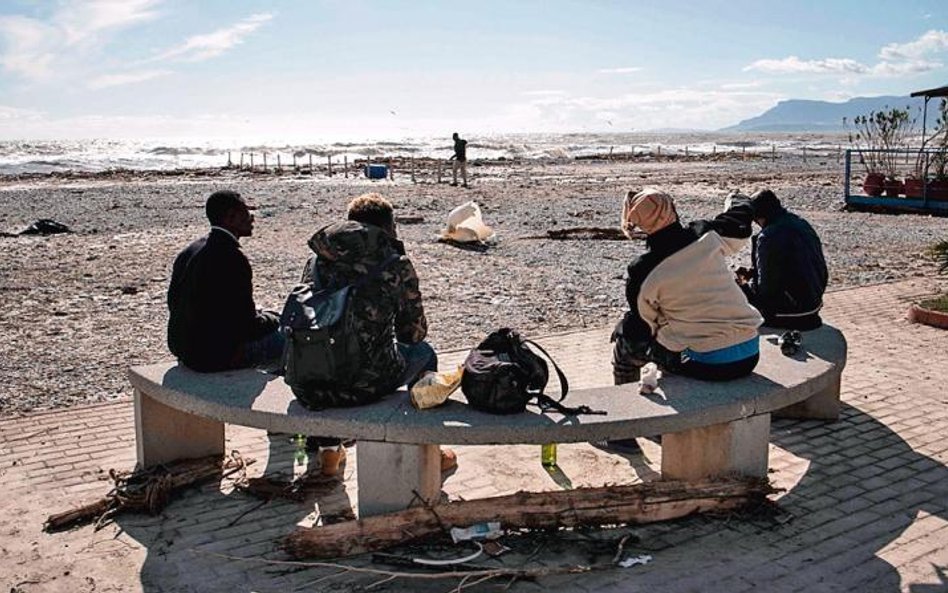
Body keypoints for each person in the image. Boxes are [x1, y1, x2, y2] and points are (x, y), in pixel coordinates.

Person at [298, 192, 456, 475]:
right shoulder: (394, 263)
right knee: (424, 354)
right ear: (388, 227)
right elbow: (413, 335)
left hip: (311, 379)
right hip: (364, 383)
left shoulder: (318, 260)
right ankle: (427, 450)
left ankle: (329, 450)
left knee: (336, 354)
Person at [612, 188, 764, 385]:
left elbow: (644, 326)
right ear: (672, 209)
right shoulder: (705, 234)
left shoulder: (642, 270)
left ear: (641, 225)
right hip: (749, 351)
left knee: (626, 339)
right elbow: (739, 221)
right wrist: (738, 199)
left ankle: (628, 403)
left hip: (706, 363)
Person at [167, 190, 283, 372]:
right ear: (230, 218)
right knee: (292, 338)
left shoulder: (191, 250)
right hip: (215, 357)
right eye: (246, 213)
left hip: (183, 348)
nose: (252, 218)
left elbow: (174, 302)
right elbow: (248, 327)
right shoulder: (232, 257)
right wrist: (274, 318)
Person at [736, 189, 828, 330]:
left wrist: (744, 287)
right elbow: (792, 266)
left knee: (738, 291)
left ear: (759, 217)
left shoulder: (768, 237)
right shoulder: (800, 222)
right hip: (813, 303)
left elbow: (767, 289)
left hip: (793, 313)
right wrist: (755, 273)